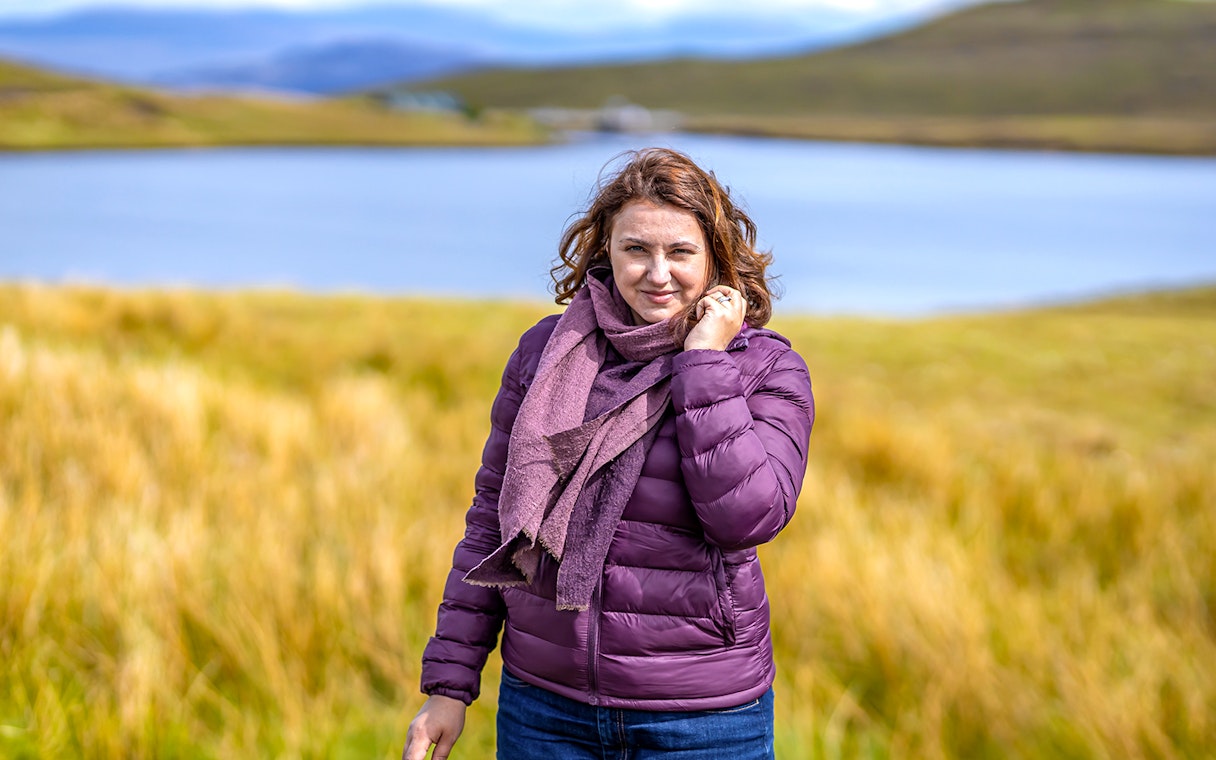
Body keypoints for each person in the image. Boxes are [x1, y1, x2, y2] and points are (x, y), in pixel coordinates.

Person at [402, 147, 814, 760]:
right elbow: (492, 519)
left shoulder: (764, 368)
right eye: (635, 249)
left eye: (680, 252)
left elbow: (746, 518)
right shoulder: (550, 353)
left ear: (715, 256)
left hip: (701, 718)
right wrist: (449, 686)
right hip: (546, 706)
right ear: (606, 250)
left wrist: (703, 363)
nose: (657, 273)